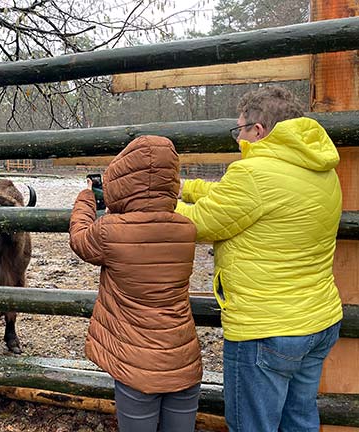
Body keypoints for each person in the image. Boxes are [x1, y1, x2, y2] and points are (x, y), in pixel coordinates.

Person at [176, 86, 343, 432]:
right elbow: (237, 199)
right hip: (318, 321)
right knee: (299, 422)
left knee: (253, 426)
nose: (238, 139)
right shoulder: (321, 169)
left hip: (267, 331)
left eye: (240, 130)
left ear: (258, 130)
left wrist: (149, 200)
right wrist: (185, 188)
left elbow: (199, 223)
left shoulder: (252, 175)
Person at [69, 135, 202, 432]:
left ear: (121, 179)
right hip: (184, 362)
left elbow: (80, 240)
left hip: (137, 368)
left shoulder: (109, 231)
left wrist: (86, 199)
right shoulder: (186, 229)